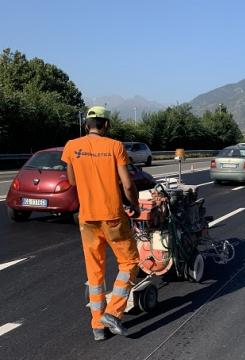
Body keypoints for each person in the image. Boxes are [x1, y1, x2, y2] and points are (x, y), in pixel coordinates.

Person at [62, 106, 140, 341]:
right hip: (113, 216)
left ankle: (97, 327)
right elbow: (127, 184)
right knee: (129, 262)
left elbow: (72, 181)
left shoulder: (72, 146)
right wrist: (134, 203)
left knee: (95, 272)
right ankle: (113, 313)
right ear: (106, 125)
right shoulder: (115, 146)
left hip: (87, 218)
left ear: (87, 125)